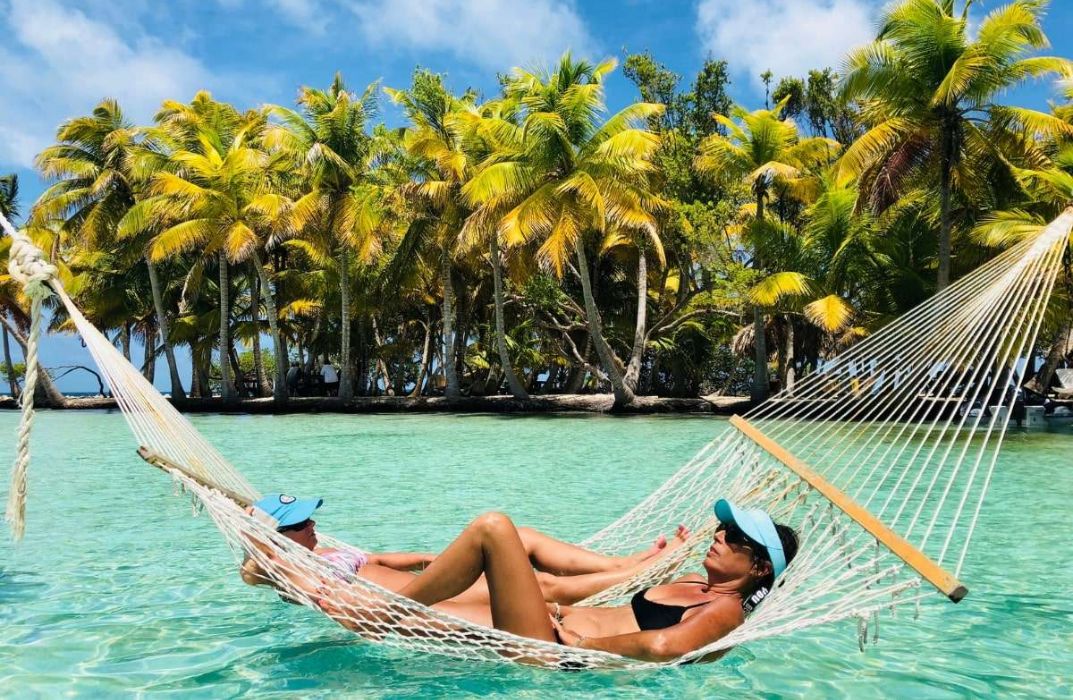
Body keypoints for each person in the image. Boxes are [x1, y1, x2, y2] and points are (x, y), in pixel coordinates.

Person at [363, 499, 798, 663]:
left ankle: (391, 608)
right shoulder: (694, 583)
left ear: (759, 567)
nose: (719, 535)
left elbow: (664, 646)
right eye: (723, 528)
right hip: (548, 624)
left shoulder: (724, 611)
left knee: (494, 529)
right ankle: (347, 597)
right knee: (419, 616)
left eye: (736, 537)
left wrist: (582, 646)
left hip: (552, 652)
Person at [240, 494, 687, 613]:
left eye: (310, 517)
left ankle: (624, 564)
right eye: (299, 524)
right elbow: (251, 573)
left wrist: (444, 559)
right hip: (414, 606)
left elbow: (392, 560)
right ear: (277, 539)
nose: (312, 524)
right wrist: (253, 532)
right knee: (539, 587)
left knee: (522, 537)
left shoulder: (332, 550)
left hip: (428, 584)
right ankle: (640, 578)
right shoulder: (285, 568)